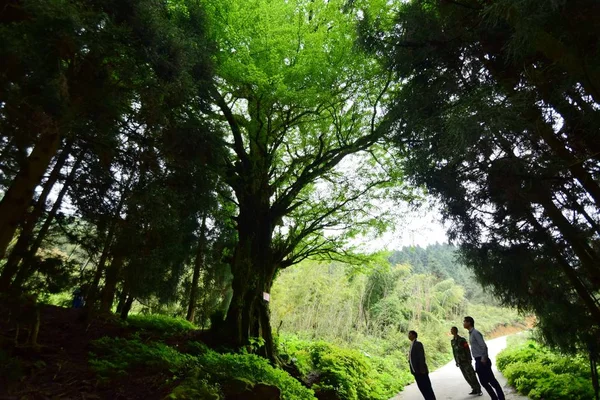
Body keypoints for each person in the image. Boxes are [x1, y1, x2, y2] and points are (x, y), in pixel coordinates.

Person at [463, 316, 505, 400]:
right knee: (483, 382)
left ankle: (501, 398)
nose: (463, 323)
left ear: (469, 323)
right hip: (477, 360)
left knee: (492, 381)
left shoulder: (475, 333)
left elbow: (484, 346)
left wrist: (484, 358)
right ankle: (494, 398)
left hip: (482, 360)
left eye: (464, 321)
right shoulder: (471, 333)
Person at [450, 326, 482, 396]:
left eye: (452, 330)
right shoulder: (452, 341)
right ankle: (474, 388)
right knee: (466, 376)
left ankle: (478, 389)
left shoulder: (462, 340)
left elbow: (467, 349)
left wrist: (469, 359)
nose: (451, 331)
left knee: (471, 375)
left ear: (455, 331)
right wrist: (456, 361)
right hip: (460, 361)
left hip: (465, 360)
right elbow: (454, 352)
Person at [408, 330, 437, 400]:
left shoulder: (418, 344)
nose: (408, 335)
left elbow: (421, 357)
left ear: (414, 335)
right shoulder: (412, 344)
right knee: (422, 388)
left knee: (426, 387)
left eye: (410, 334)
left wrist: (422, 369)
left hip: (421, 371)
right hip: (416, 372)